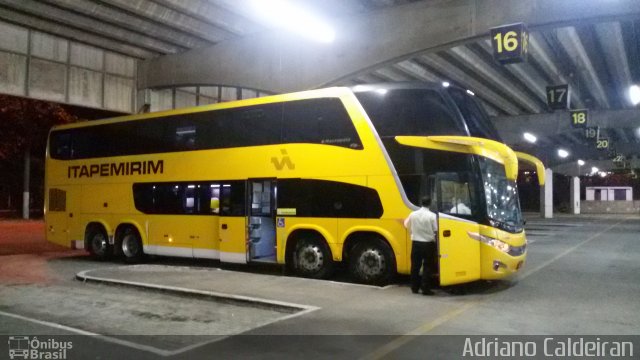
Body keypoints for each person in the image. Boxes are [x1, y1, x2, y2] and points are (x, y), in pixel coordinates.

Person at [404, 196, 438, 295]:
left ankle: (414, 287)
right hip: (428, 244)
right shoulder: (432, 216)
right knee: (427, 266)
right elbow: (435, 230)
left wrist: (412, 232)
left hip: (416, 243)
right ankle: (425, 288)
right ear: (430, 203)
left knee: (415, 266)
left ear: (421, 203)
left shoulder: (413, 214)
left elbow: (406, 224)